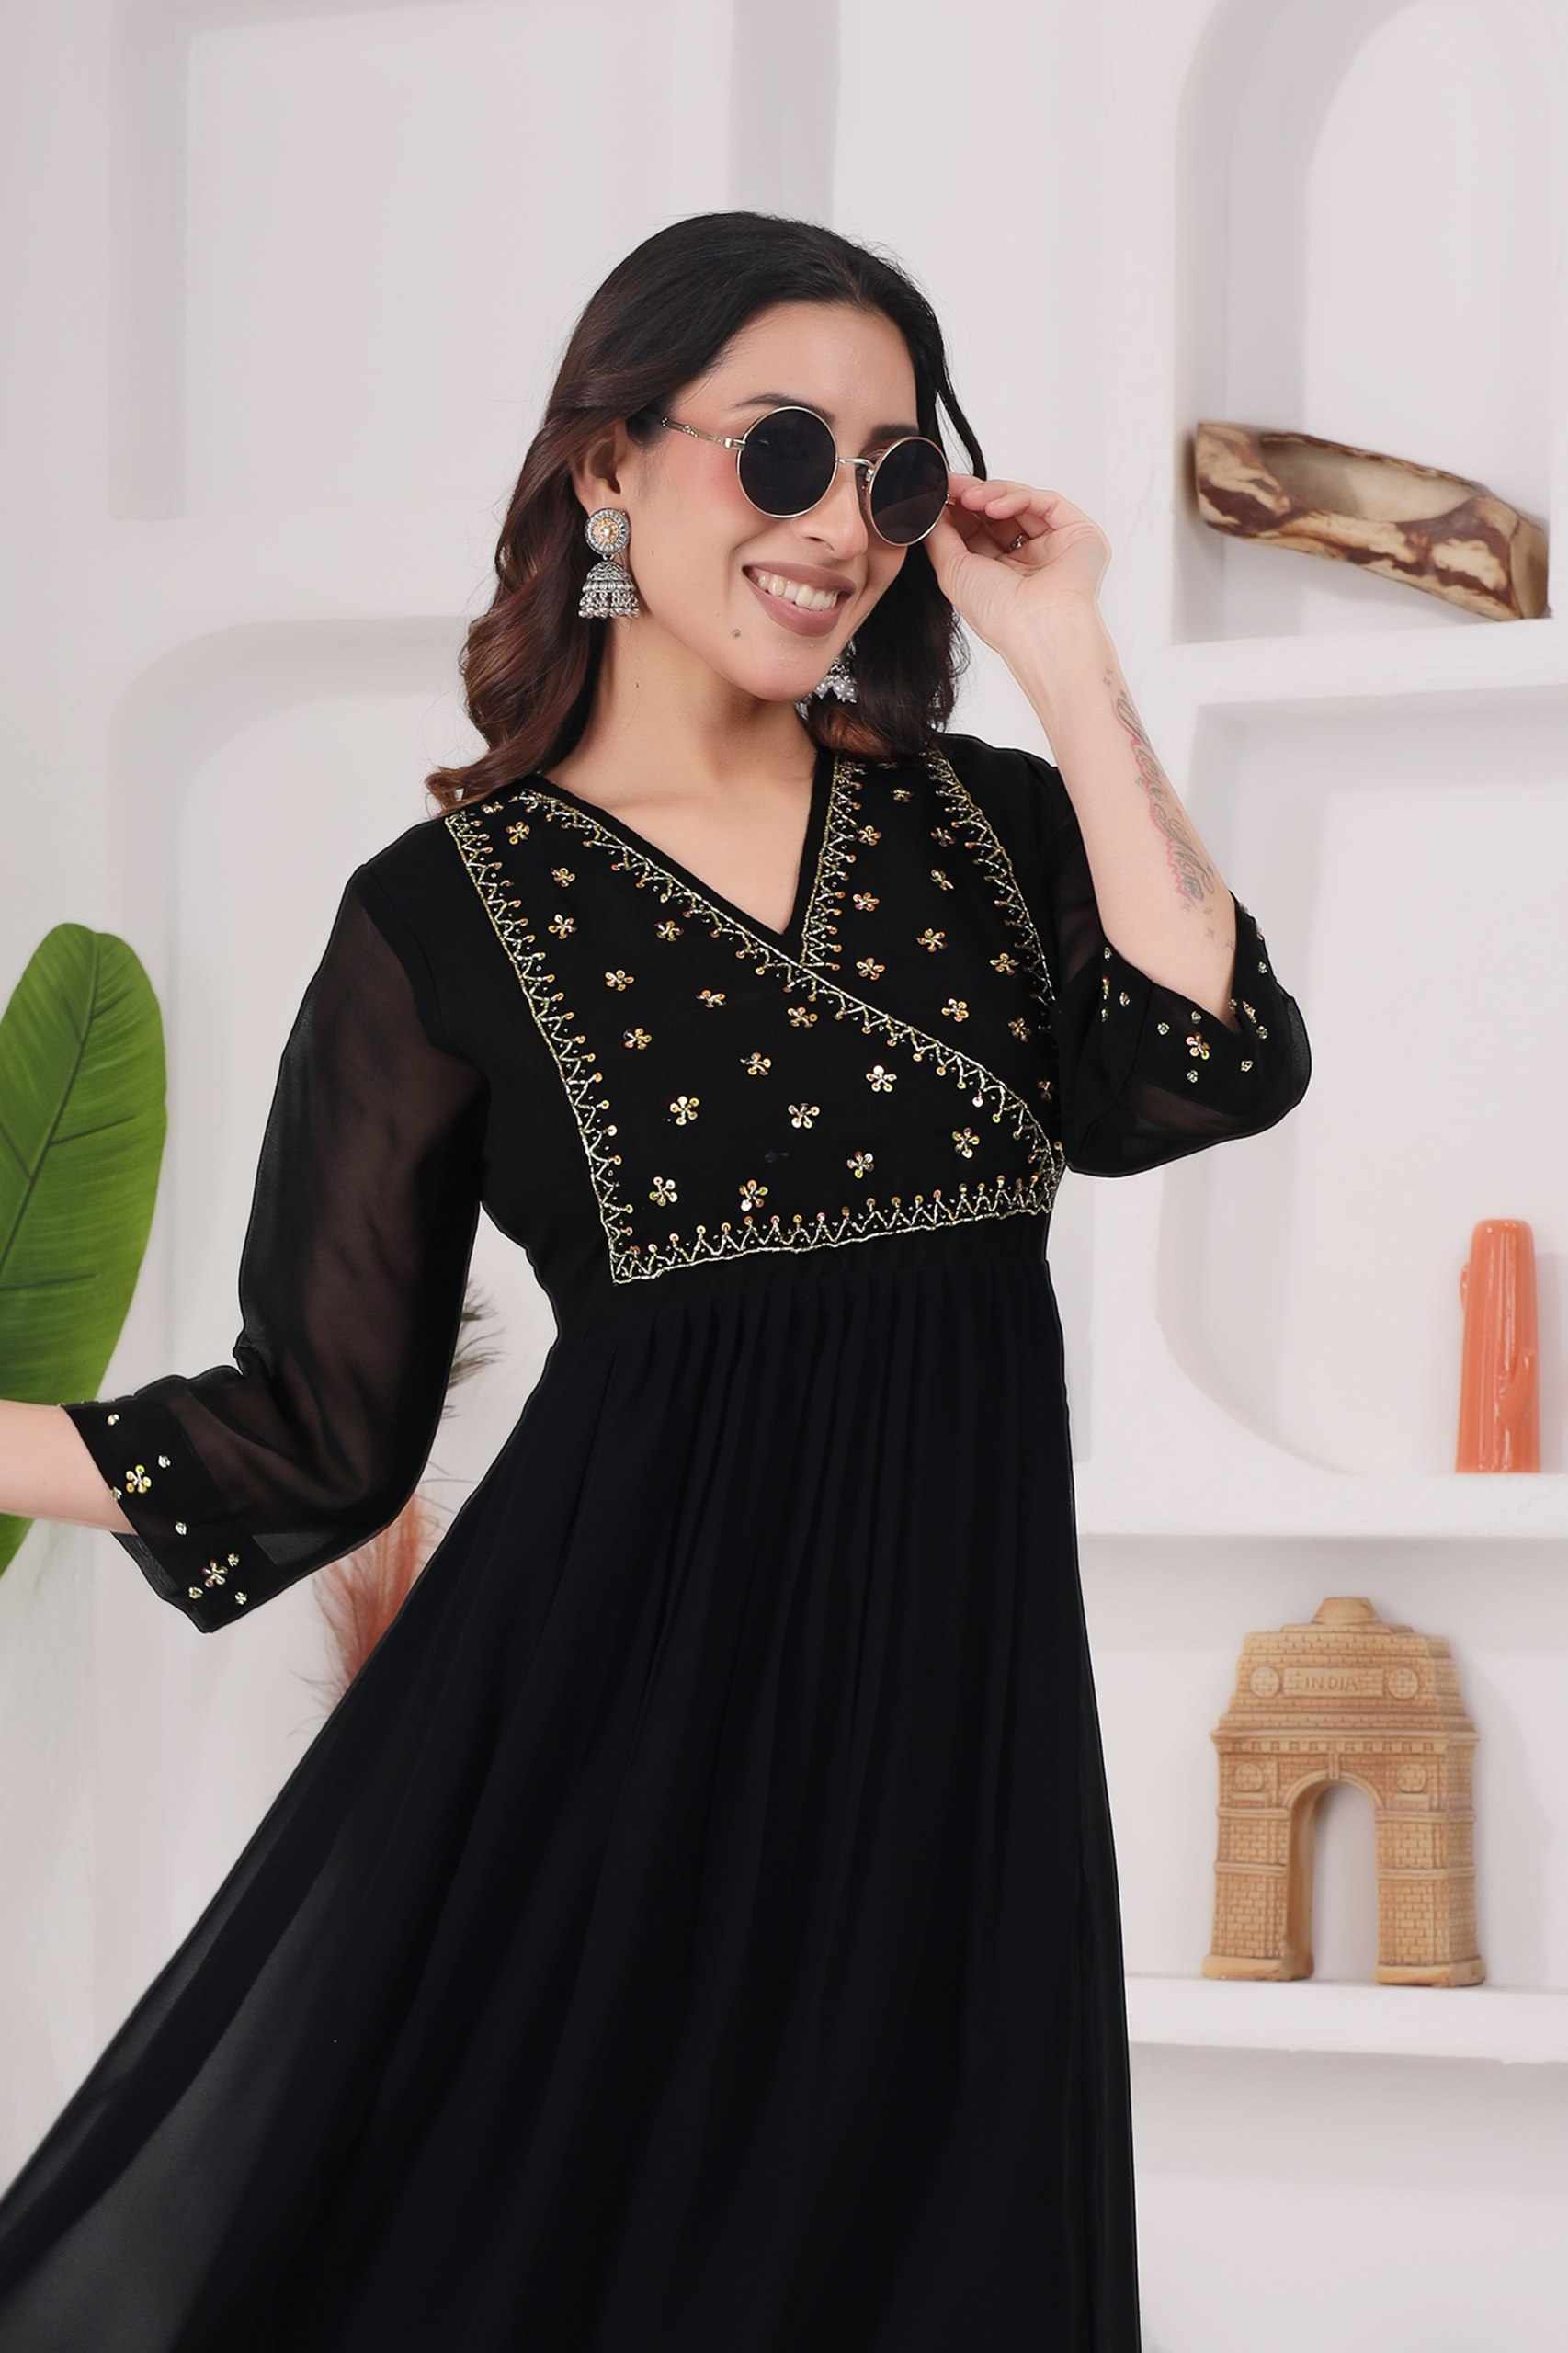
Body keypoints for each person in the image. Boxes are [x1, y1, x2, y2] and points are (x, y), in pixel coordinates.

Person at [0, 210, 1311, 2349]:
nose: (842, 524)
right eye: (779, 450)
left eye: (893, 470)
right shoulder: (441, 915)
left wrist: (1065, 649)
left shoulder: (984, 826)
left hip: (952, 1760)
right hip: (607, 1751)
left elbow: (1211, 1058)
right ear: (608, 465)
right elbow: (308, 1441)